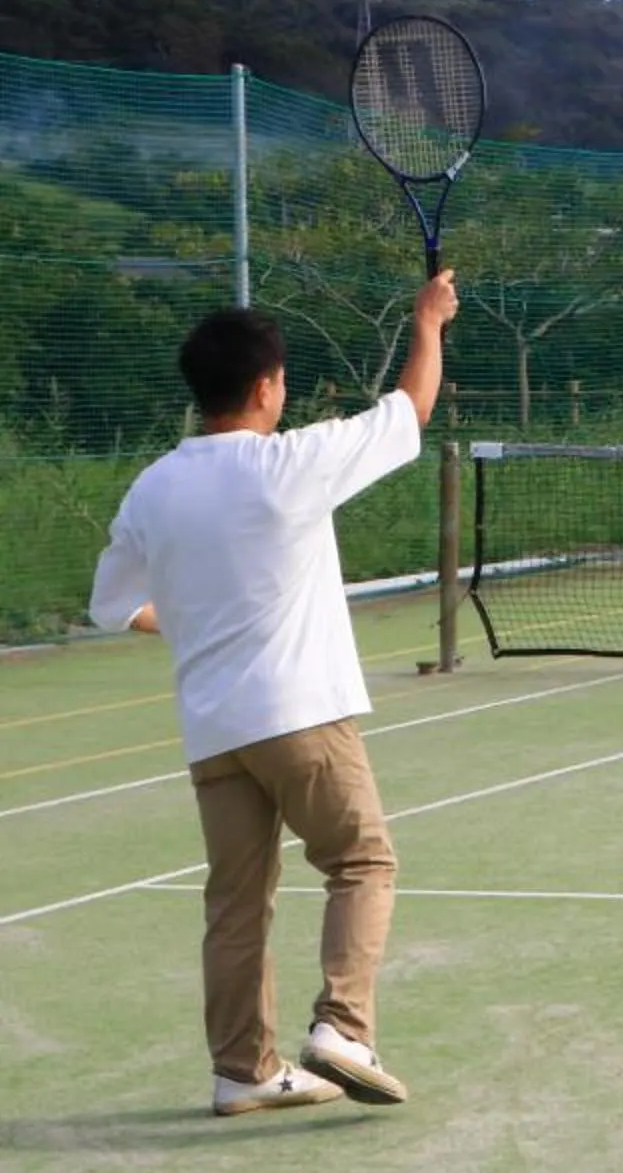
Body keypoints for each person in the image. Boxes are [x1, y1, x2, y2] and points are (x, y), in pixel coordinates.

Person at [90, 271, 458, 1117]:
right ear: (265, 387)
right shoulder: (289, 463)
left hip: (214, 730)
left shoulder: (154, 487)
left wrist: (193, 622)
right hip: (298, 714)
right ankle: (343, 1030)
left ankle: (241, 1072)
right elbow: (410, 409)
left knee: (235, 902)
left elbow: (113, 605)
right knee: (363, 861)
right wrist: (429, 322)